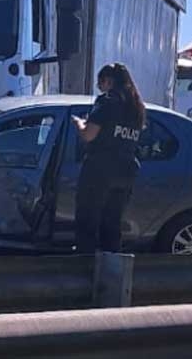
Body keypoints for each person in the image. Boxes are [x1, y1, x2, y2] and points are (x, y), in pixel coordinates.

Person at [72, 63, 145, 254]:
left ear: (109, 81)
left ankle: (84, 268)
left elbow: (89, 135)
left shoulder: (107, 102)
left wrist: (79, 124)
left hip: (100, 169)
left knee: (87, 222)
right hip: (126, 171)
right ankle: (112, 273)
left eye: (100, 82)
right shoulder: (136, 108)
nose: (99, 87)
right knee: (112, 225)